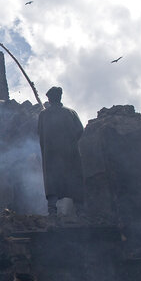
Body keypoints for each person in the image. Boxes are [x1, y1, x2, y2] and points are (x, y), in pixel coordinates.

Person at [37, 86, 84, 216]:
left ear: (50, 99)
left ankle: (52, 210)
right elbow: (80, 130)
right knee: (73, 178)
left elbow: (40, 133)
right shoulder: (70, 112)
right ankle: (80, 210)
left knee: (53, 181)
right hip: (70, 153)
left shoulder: (43, 115)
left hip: (51, 155)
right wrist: (71, 144)